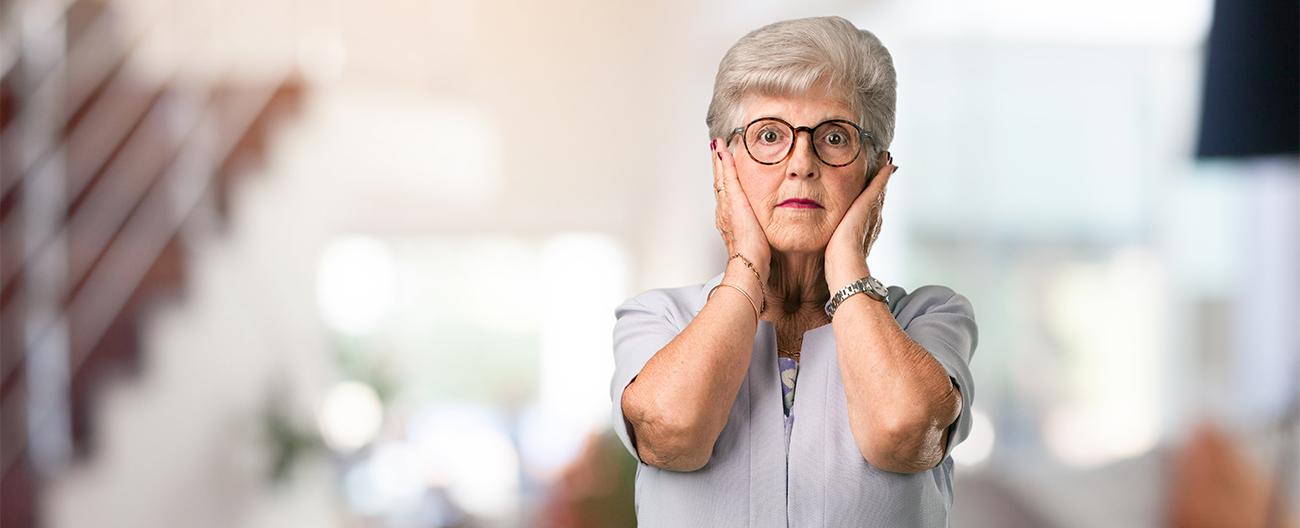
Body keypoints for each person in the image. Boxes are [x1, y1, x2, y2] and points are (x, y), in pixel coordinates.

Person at [609, 16, 978, 527]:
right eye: (768, 135)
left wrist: (848, 262)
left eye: (833, 138)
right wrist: (745, 266)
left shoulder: (926, 317)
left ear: (874, 168)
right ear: (724, 162)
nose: (801, 163)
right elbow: (673, 434)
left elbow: (903, 432)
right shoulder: (660, 317)